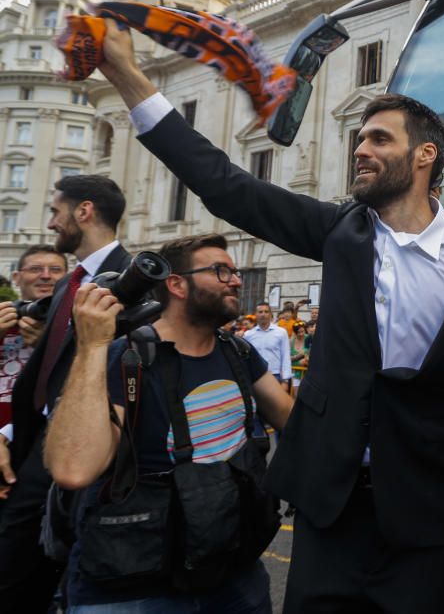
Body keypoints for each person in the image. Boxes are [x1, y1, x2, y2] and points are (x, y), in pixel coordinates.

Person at [96, 21, 444, 613]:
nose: (361, 149)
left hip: (429, 515)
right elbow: (224, 184)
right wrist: (125, 74)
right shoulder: (341, 232)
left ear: (425, 156)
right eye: (360, 138)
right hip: (328, 507)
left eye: (379, 140)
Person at [44, 234, 293, 611]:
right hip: (135, 582)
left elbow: (295, 421)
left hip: (230, 570)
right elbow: (73, 468)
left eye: (237, 272)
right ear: (176, 284)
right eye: (221, 270)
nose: (236, 280)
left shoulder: (238, 352)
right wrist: (92, 346)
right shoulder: (123, 357)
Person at [0, 175, 130, 612]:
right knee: (19, 565)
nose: (51, 223)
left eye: (56, 211)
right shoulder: (67, 285)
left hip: (96, 455)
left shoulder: (133, 281)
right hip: (39, 446)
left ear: (84, 212)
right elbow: (52, 376)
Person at [0, 245, 68, 444]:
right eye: (35, 269)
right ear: (16, 277)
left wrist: (51, 345)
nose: (46, 276)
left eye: (55, 270)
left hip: (40, 444)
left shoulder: (78, 327)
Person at [244, 302, 292, 393]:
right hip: (255, 376)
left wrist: (285, 380)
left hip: (275, 376)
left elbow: (285, 356)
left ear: (270, 314)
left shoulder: (281, 332)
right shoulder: (248, 335)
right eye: (260, 312)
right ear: (256, 314)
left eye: (266, 312)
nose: (263, 314)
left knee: (276, 406)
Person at [289, 321, 309, 394]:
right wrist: (300, 356)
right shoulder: (291, 342)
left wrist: (295, 358)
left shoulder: (309, 339)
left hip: (307, 373)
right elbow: (287, 358)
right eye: (298, 332)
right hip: (295, 373)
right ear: (295, 333)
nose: (301, 334)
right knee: (295, 395)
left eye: (303, 331)